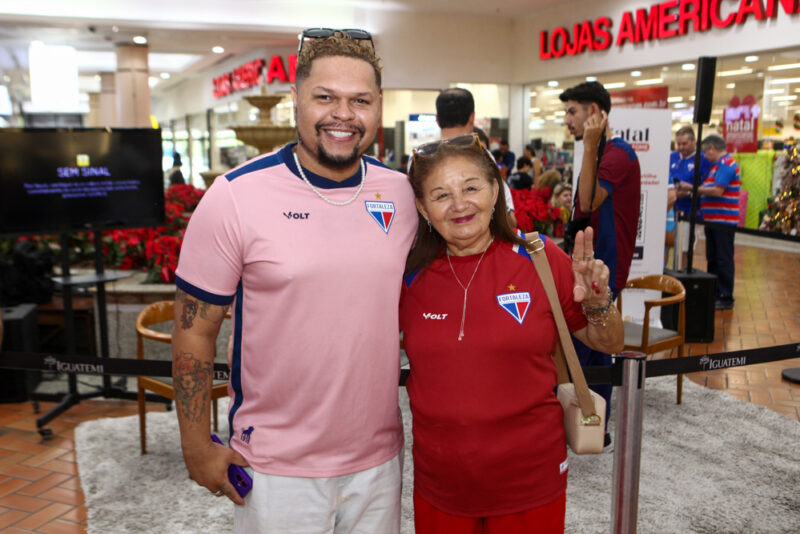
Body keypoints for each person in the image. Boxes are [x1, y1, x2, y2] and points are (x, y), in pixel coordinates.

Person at [171, 29, 416, 533]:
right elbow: (194, 330)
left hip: (377, 461)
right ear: (296, 100)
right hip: (275, 467)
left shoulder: (402, 194)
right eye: (325, 97)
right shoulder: (234, 196)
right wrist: (196, 445)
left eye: (359, 100)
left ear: (378, 107)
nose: (342, 114)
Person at [400, 133, 623, 532]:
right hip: (441, 481)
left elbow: (609, 343)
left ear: (494, 190)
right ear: (422, 206)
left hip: (530, 479)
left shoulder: (539, 259)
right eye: (441, 195)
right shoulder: (407, 276)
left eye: (471, 187)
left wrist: (597, 300)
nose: (460, 204)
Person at [560, 81, 640, 441]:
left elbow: (590, 201)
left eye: (572, 111)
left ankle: (596, 422)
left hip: (605, 264)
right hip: (588, 259)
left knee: (592, 344)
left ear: (594, 112)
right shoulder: (600, 151)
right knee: (586, 343)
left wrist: (591, 145)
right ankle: (588, 418)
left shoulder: (617, 153)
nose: (567, 121)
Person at [435, 87, 517, 228]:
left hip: (431, 246)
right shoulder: (482, 156)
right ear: (472, 117)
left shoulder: (418, 159)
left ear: (437, 120)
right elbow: (508, 219)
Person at [678, 134, 740, 310]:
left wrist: (692, 188)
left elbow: (717, 191)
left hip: (723, 221)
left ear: (712, 148)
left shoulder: (726, 165)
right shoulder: (716, 167)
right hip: (713, 220)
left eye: (705, 152)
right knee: (712, 257)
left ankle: (726, 295)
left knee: (723, 258)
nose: (704, 156)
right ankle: (716, 292)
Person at [670, 126, 711, 267]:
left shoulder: (703, 160)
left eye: (684, 144)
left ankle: (682, 277)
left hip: (688, 212)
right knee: (668, 244)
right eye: (678, 144)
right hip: (670, 210)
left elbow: (706, 186)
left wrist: (688, 191)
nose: (681, 147)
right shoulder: (672, 157)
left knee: (685, 248)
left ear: (693, 141)